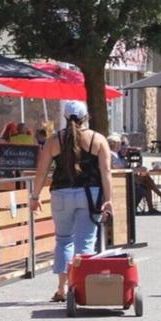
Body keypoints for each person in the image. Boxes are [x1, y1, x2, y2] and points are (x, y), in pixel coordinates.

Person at [30, 100, 114, 304]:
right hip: (89, 193)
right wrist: (109, 199)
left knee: (63, 239)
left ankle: (62, 287)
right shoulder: (97, 139)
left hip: (61, 193)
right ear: (87, 117)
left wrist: (35, 196)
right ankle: (82, 286)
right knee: (85, 241)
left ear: (66, 118)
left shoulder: (54, 140)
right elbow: (106, 171)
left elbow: (42, 171)